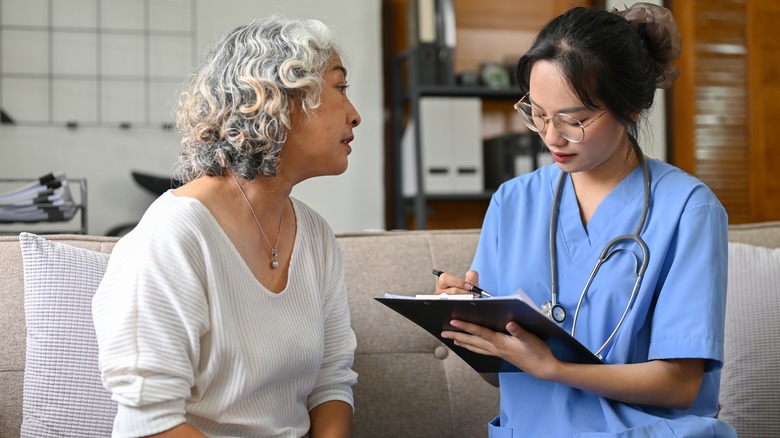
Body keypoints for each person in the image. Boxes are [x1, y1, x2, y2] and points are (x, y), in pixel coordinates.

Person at [434, 3, 737, 437]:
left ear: (629, 108)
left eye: (572, 121)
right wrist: (463, 326)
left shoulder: (689, 209)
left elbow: (680, 384)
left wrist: (554, 368)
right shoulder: (512, 202)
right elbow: (503, 372)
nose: (550, 137)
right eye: (537, 114)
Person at [92, 15, 361, 437]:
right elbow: (150, 421)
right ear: (277, 98)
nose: (355, 114)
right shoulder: (173, 235)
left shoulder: (317, 237)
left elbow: (331, 383)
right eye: (340, 88)